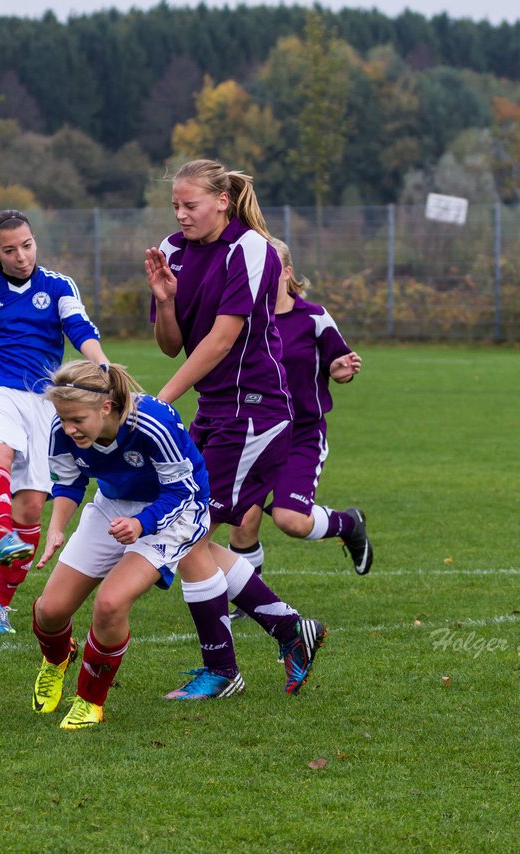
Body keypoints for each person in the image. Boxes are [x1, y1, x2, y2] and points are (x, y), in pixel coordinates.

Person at [144, 158, 327, 700]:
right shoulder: (173, 250)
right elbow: (172, 344)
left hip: (255, 413)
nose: (181, 215)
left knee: (186, 529)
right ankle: (290, 629)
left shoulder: (253, 250)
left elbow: (223, 341)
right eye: (175, 205)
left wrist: (159, 401)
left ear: (222, 201)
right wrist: (165, 301)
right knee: (184, 526)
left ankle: (224, 669)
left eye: (190, 205)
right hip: (215, 411)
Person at [30, 360, 213, 729]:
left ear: (106, 407)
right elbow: (68, 482)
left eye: (77, 419)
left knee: (111, 604)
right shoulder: (62, 427)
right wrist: (56, 529)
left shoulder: (152, 422)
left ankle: (90, 701)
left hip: (176, 510)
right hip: (113, 505)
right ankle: (57, 659)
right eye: (63, 418)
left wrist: (141, 524)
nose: (69, 428)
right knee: (50, 610)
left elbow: (183, 489)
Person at [0, 210, 109, 634]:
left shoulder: (58, 285)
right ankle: (2, 535)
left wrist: (102, 364)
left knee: (30, 509)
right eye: (10, 249)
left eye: (27, 245)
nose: (21, 255)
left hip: (45, 402)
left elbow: (77, 326)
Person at [226, 237, 372, 579]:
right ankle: (252, 600)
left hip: (301, 435)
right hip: (255, 433)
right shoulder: (241, 320)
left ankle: (349, 523)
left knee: (290, 520)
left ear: (287, 273)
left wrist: (342, 372)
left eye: (270, 267)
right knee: (242, 519)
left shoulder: (314, 318)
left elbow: (340, 364)